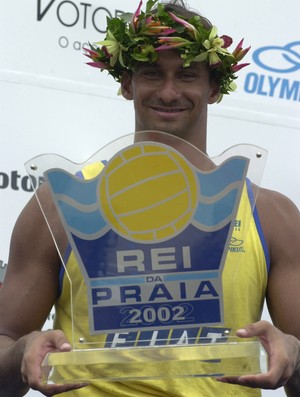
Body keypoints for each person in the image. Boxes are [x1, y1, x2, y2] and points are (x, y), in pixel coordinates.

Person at [1, 0, 300, 396]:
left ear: (213, 87)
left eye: (187, 75)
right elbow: (5, 344)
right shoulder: (61, 204)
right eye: (152, 73)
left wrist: (293, 354)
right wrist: (23, 350)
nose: (169, 91)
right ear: (128, 84)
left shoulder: (270, 214)